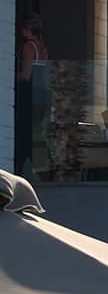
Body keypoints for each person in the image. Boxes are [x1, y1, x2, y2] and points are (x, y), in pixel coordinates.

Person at [14, 12, 47, 173]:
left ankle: (21, 166)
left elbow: (26, 75)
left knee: (25, 132)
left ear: (27, 28)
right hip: (41, 93)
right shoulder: (42, 47)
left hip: (29, 93)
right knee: (35, 132)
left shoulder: (28, 47)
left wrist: (8, 76)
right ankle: (42, 168)